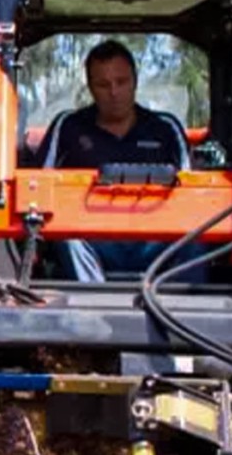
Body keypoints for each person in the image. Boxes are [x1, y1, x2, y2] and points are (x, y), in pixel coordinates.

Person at [33, 39, 205, 283]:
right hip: (93, 240)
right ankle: (94, 310)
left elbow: (193, 195)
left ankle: (182, 313)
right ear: (90, 88)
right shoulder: (68, 127)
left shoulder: (166, 129)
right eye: (103, 84)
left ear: (135, 81)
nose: (114, 92)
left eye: (121, 82)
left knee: (198, 236)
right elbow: (35, 188)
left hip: (155, 241)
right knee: (65, 234)